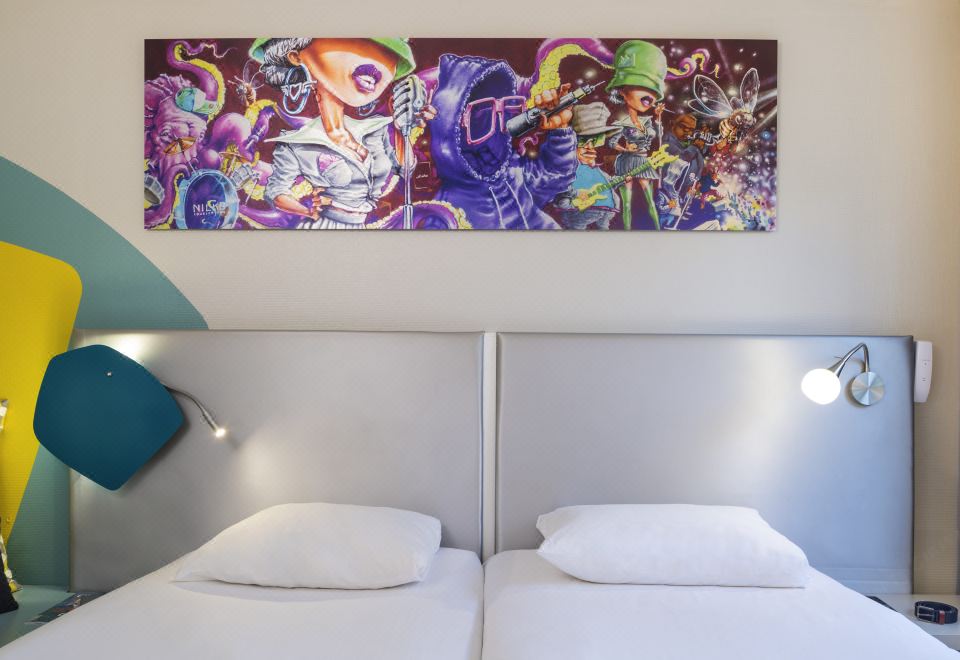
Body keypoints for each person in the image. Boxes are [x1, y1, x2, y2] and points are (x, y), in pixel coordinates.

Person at [253, 38, 434, 229]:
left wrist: (401, 129)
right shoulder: (295, 144)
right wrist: (307, 211)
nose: (375, 61)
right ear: (296, 56)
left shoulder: (375, 130)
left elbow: (406, 170)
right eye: (354, 41)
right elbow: (276, 192)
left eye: (388, 52)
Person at [428, 54, 578, 230]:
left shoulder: (512, 171)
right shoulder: (445, 215)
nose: (500, 125)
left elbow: (555, 177)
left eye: (506, 110)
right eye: (483, 114)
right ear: (451, 124)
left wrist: (560, 131)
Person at [605, 40, 668, 230]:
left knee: (651, 201)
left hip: (643, 161)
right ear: (622, 92)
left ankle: (658, 231)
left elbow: (657, 138)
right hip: (626, 162)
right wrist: (625, 148)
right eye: (643, 86)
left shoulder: (647, 121)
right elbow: (611, 143)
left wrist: (658, 118)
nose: (650, 96)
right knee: (627, 203)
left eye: (653, 90)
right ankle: (626, 233)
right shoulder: (621, 123)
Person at [555, 103, 622, 230]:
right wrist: (574, 198)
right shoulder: (567, 168)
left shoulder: (596, 169)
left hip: (604, 211)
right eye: (583, 141)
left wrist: (621, 179)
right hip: (577, 212)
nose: (590, 147)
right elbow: (559, 187)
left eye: (596, 140)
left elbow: (608, 183)